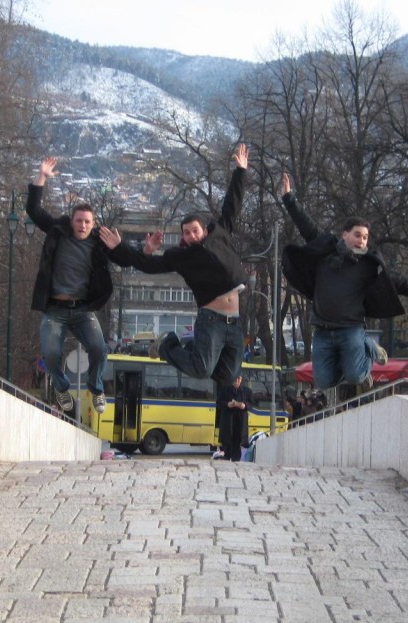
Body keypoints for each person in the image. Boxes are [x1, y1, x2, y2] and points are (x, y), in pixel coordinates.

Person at [279, 173, 408, 394]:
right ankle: (361, 351)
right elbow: (306, 225)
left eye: (366, 237)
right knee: (323, 380)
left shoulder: (368, 264)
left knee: (355, 375)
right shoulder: (326, 250)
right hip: (322, 330)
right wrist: (289, 198)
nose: (362, 241)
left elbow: (397, 281)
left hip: (350, 329)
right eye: (358, 235)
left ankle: (367, 348)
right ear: (344, 235)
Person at [98, 144, 249, 387]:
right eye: (186, 233)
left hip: (235, 320)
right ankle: (167, 344)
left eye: (194, 231)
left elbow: (232, 205)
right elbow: (149, 265)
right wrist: (121, 247)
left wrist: (240, 171)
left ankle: (190, 346)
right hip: (212, 319)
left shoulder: (220, 233)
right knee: (201, 370)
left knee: (229, 377)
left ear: (204, 229)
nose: (190, 236)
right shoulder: (181, 256)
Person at [26, 156, 114, 415]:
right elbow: (34, 210)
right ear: (72, 220)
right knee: (51, 355)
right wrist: (41, 176)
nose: (83, 225)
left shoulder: (99, 243)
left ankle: (96, 389)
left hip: (84, 310)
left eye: (87, 222)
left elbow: (125, 255)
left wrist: (147, 249)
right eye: (79, 221)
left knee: (99, 349)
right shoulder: (58, 231)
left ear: (93, 223)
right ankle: (62, 388)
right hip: (55, 309)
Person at [216, 373, 252, 461]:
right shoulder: (224, 389)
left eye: (239, 379)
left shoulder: (247, 391)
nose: (237, 381)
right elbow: (218, 403)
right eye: (235, 379)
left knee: (237, 443)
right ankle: (226, 458)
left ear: (241, 379)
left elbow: (251, 404)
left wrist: (244, 405)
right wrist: (228, 404)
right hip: (228, 421)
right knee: (227, 444)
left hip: (240, 422)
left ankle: (236, 461)